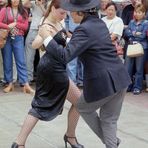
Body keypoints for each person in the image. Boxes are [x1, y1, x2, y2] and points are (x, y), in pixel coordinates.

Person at [38, 0, 131, 148]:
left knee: (83, 107)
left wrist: (47, 37)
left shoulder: (84, 29)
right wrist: (65, 38)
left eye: (72, 10)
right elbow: (85, 43)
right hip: (120, 78)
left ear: (80, 12)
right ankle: (112, 142)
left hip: (103, 82)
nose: (70, 13)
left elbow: (65, 56)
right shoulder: (98, 23)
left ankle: (111, 141)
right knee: (109, 120)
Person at [11, 0, 84, 148]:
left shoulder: (59, 22)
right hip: (51, 70)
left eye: (66, 13)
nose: (64, 16)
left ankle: (19, 143)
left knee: (43, 105)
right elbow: (35, 43)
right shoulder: (45, 25)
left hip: (56, 68)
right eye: (62, 12)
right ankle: (20, 143)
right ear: (52, 9)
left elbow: (64, 41)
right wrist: (43, 36)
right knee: (43, 105)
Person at [0, 0, 34, 93]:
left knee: (21, 61)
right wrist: (8, 27)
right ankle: (9, 83)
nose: (15, 0)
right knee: (7, 61)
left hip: (19, 38)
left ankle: (25, 84)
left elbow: (26, 27)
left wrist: (16, 24)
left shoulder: (24, 11)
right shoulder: (5, 10)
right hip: (6, 38)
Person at [124, 4, 148, 94]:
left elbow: (143, 36)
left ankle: (137, 87)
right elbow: (126, 32)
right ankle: (128, 86)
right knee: (128, 68)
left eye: (139, 12)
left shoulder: (146, 23)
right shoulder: (131, 22)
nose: (137, 14)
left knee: (139, 69)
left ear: (143, 13)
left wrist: (132, 33)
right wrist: (135, 33)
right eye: (136, 12)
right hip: (131, 46)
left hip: (141, 47)